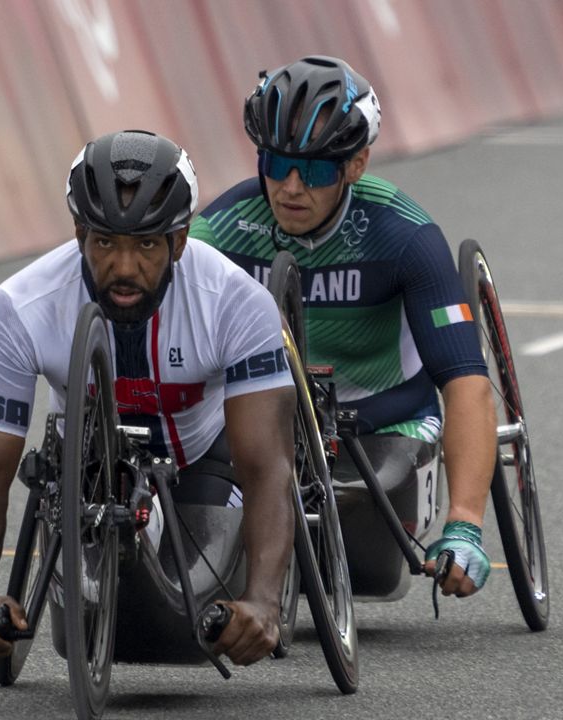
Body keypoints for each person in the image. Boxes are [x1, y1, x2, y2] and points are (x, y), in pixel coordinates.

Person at [0, 130, 296, 667]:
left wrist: (265, 601)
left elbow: (268, 468)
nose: (125, 268)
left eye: (147, 245)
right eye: (106, 243)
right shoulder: (20, 306)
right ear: (80, 232)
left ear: (179, 241)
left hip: (201, 462)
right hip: (88, 470)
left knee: (191, 630)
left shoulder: (235, 302)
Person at [190, 55, 496, 599]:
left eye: (315, 170)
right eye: (275, 162)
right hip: (271, 415)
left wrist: (465, 523)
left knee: (365, 572)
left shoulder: (404, 235)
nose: (289, 186)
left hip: (382, 420)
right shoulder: (225, 226)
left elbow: (466, 383)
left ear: (356, 165)